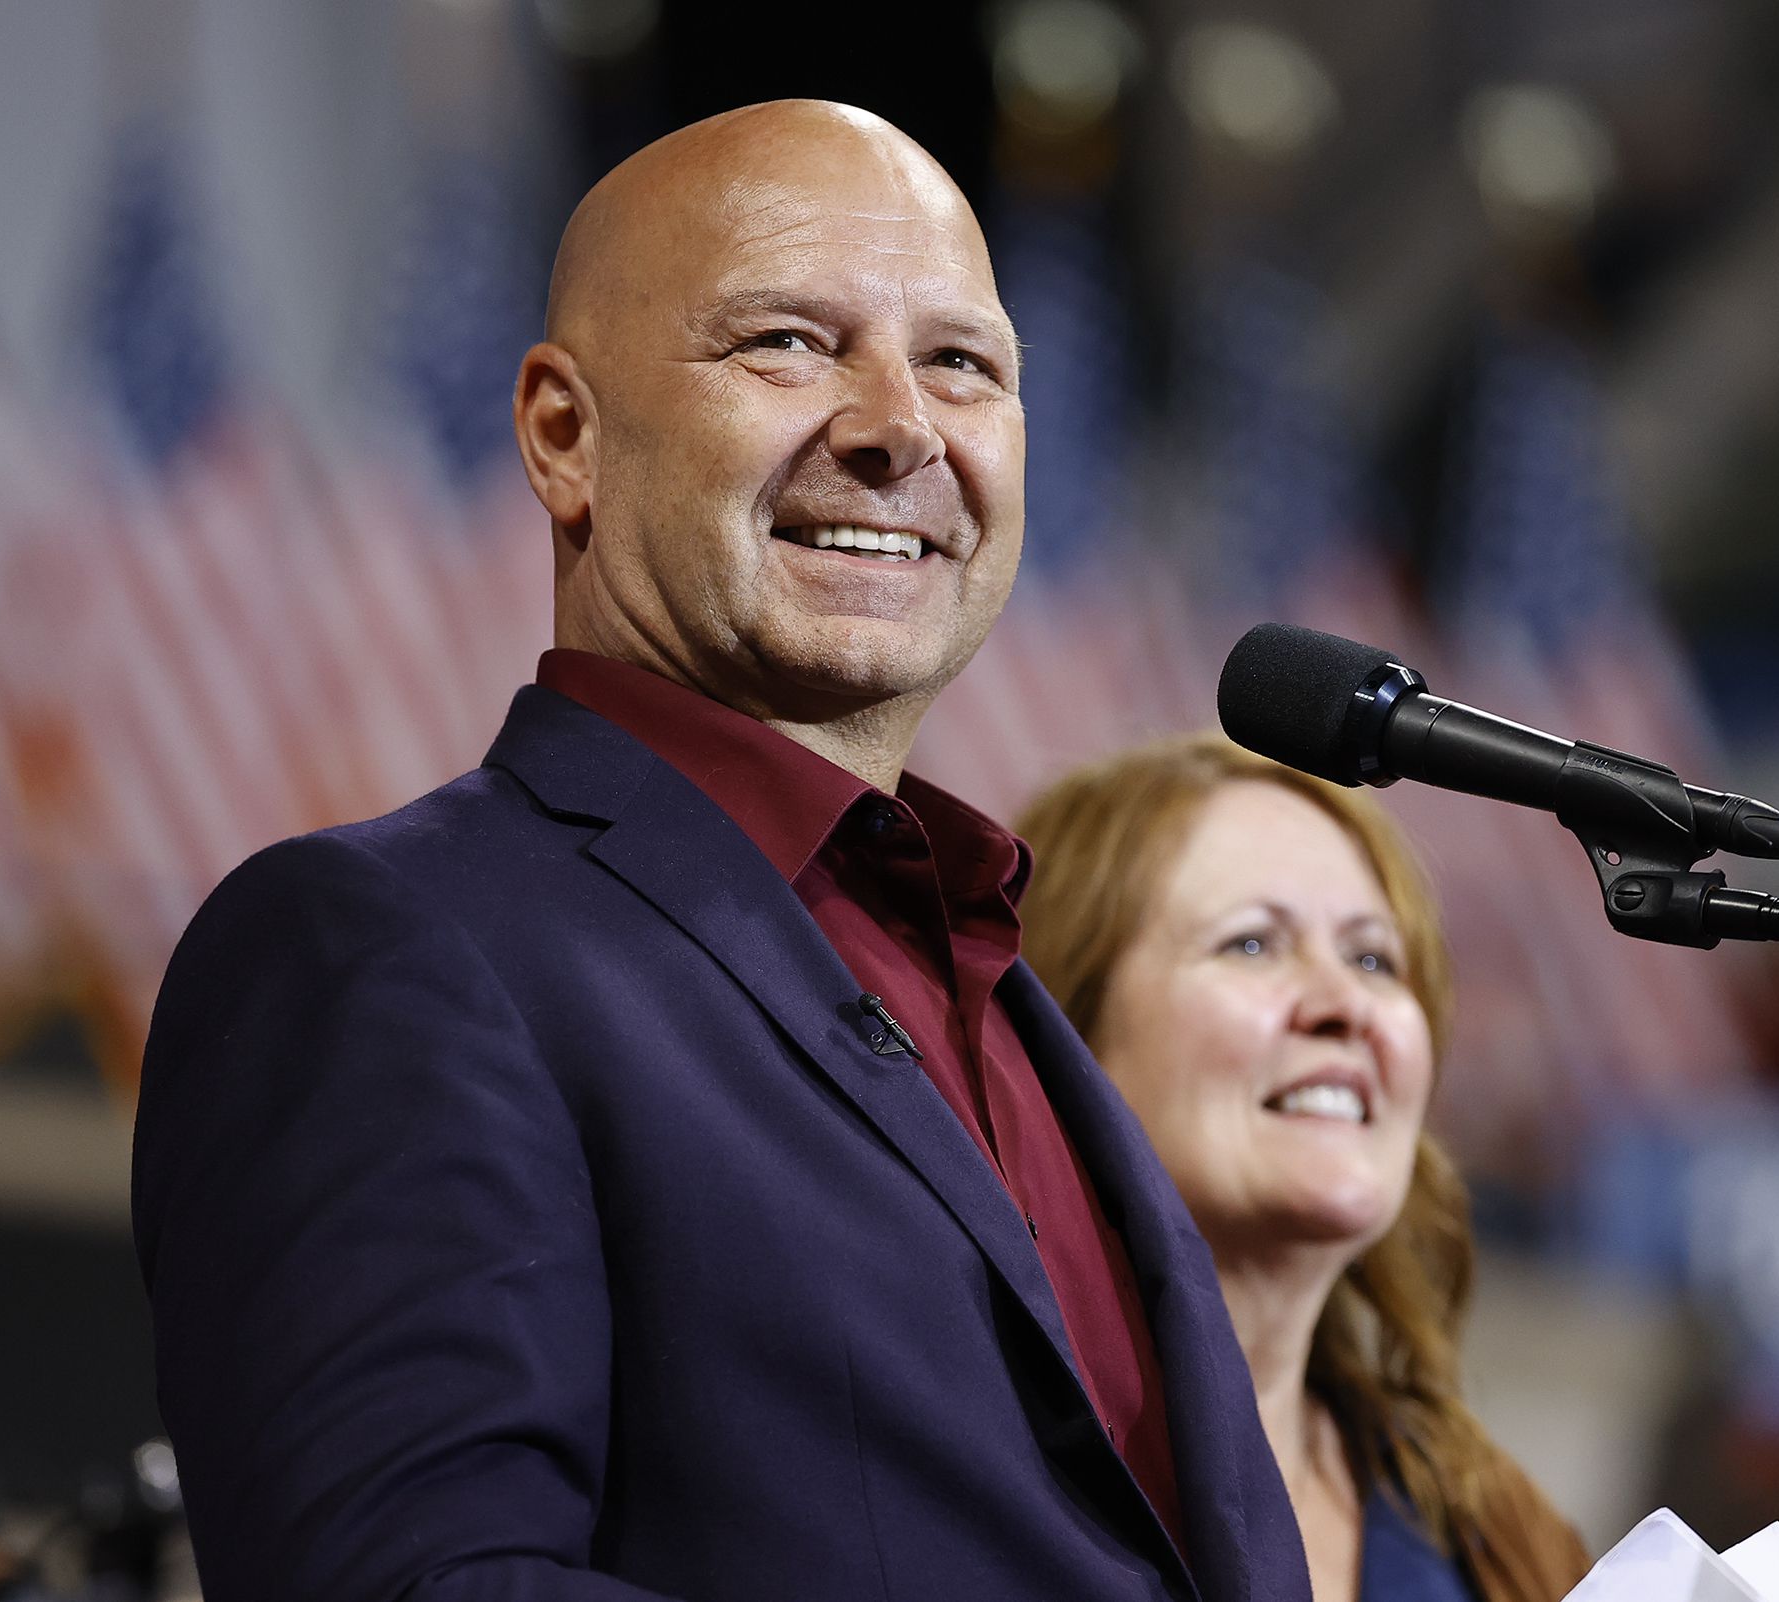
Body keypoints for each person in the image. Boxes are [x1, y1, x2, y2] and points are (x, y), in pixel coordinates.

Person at [131, 103, 1311, 1602]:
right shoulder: (383, 948)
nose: (901, 427)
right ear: (565, 434)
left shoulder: (1005, 991)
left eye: (962, 363)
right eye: (788, 344)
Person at [1017, 733, 1593, 1602]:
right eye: (1252, 944)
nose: (1346, 1005)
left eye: (1373, 958)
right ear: (1066, 1038)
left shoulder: (1498, 1535)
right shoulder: (966, 1481)